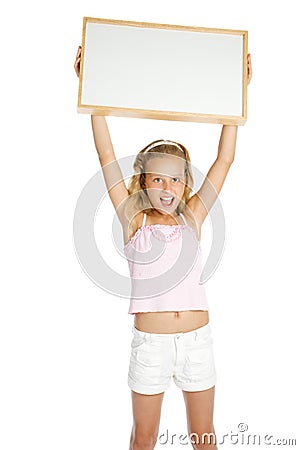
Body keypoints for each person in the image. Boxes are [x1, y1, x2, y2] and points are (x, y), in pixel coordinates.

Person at [74, 46, 252, 450]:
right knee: (145, 439)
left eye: (175, 180)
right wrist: (90, 87)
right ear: (143, 182)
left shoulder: (193, 217)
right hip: (151, 346)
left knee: (204, 438)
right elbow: (105, 154)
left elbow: (224, 160)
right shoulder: (133, 220)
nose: (166, 187)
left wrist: (237, 90)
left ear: (185, 185)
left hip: (197, 342)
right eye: (157, 179)